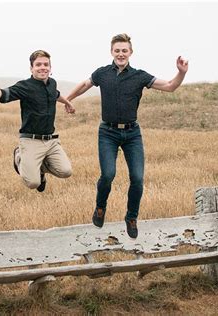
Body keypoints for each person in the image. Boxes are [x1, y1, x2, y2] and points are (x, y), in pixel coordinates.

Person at [66, 34, 188, 238]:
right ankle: (100, 207)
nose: (121, 54)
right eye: (117, 50)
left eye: (124, 50)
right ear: (111, 52)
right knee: (108, 175)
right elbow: (85, 85)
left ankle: (131, 217)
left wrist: (181, 73)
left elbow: (170, 86)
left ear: (130, 52)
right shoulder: (102, 73)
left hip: (132, 134)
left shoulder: (139, 76)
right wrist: (67, 99)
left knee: (138, 178)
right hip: (108, 132)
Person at [0, 50, 75, 192]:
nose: (42, 67)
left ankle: (38, 167)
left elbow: (55, 94)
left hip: (51, 141)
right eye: (38, 64)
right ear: (31, 68)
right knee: (33, 183)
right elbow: (1, 96)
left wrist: (67, 102)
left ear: (50, 68)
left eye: (46, 64)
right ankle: (19, 158)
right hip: (30, 140)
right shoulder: (24, 86)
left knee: (66, 171)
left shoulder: (52, 83)